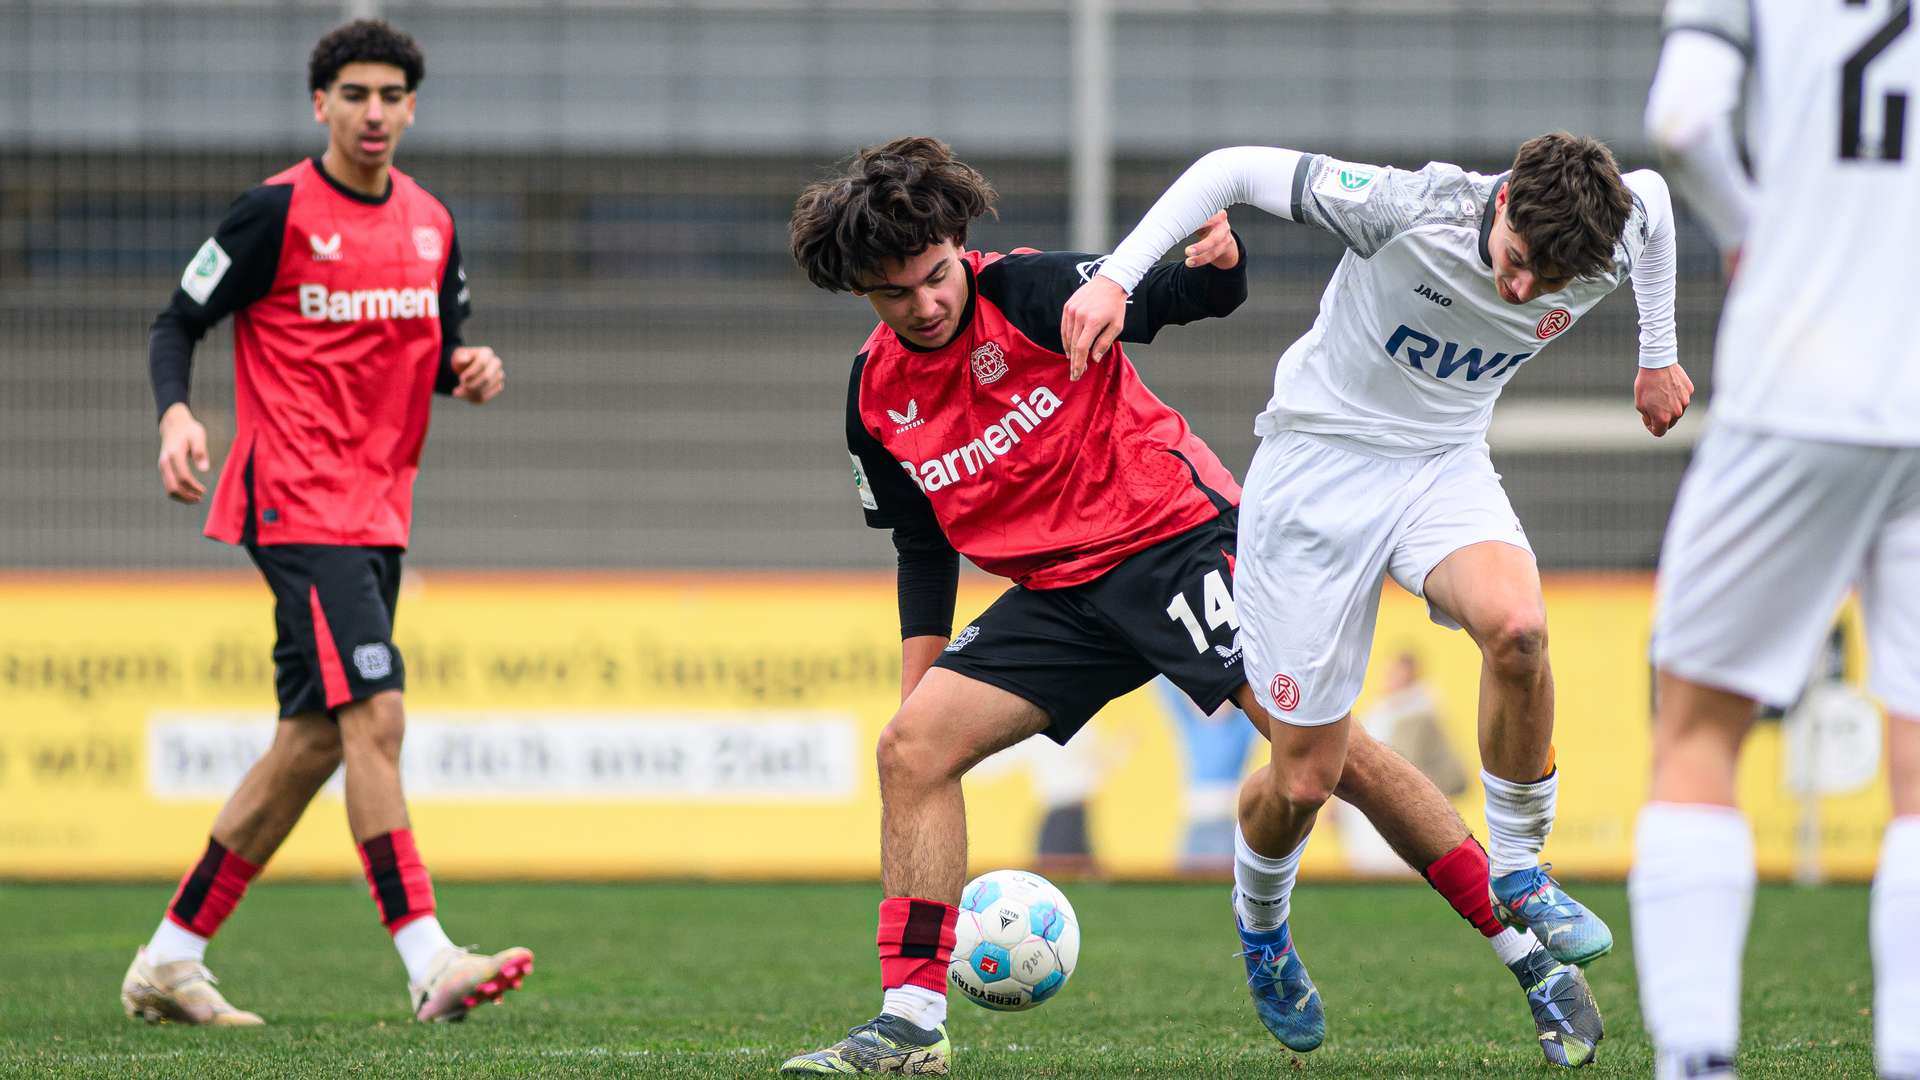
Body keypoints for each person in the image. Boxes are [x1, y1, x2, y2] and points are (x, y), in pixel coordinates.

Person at [777, 136, 1603, 1076]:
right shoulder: (875, 392)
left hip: (1177, 545)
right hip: (1057, 596)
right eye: (896, 294)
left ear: (958, 245)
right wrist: (918, 682)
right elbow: (921, 542)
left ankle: (1530, 959)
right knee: (910, 750)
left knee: (1334, 766)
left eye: (934, 277)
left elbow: (1180, 299)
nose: (924, 304)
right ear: (862, 295)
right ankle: (912, 1026)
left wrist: (1217, 265)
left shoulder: (1032, 292)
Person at [1065, 129, 1690, 1025]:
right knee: (1303, 778)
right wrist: (1116, 278)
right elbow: (1230, 169)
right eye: (1516, 262)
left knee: (1519, 631)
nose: (1521, 291)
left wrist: (1657, 353)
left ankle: (1519, 869)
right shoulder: (1408, 206)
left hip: (1441, 464)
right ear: (1504, 197)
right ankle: (1263, 928)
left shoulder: (1605, 234)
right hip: (1316, 474)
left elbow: (1658, 200)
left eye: (1546, 284)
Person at [121, 18, 530, 1027]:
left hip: (378, 507)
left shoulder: (433, 224)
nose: (374, 112)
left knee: (310, 742)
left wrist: (465, 370)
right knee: (377, 714)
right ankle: (428, 957)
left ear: (413, 106)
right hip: (294, 499)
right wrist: (177, 410)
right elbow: (179, 319)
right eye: (355, 95)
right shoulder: (273, 214)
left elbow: (431, 346)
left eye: (391, 95)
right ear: (322, 106)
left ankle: (170, 958)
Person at [1638, 3, 1919, 1077]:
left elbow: (1685, 119)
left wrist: (1759, 235)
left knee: (1700, 729)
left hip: (1800, 378)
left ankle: (1700, 1058)